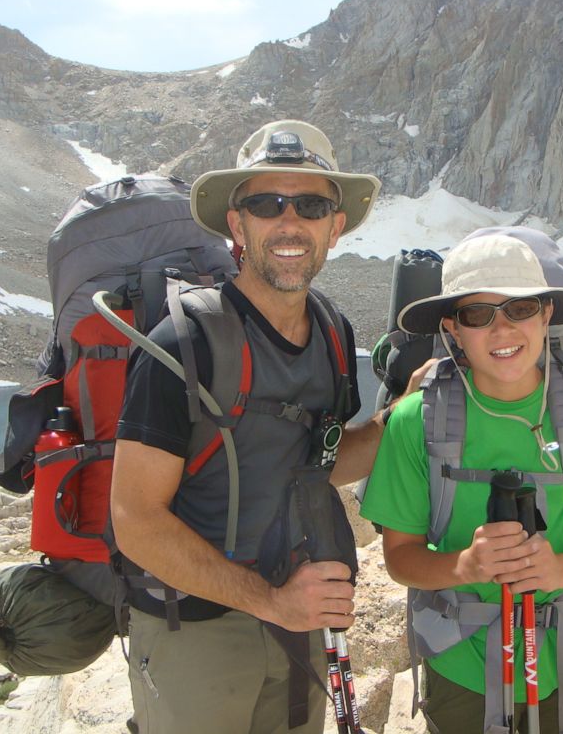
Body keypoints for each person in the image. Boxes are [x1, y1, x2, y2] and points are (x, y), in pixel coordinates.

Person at [110, 119, 404, 734]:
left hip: (296, 618)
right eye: (267, 203)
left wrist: (403, 417)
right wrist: (270, 601)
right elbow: (135, 520)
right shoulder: (184, 342)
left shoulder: (332, 330)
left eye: (312, 204)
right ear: (237, 225)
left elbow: (320, 461)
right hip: (194, 626)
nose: (289, 222)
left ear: (336, 225)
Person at [359, 232, 563, 734]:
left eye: (520, 310)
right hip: (461, 662)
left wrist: (558, 570)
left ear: (545, 315)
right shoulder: (416, 421)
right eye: (478, 315)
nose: (502, 331)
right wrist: (466, 565)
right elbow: (401, 558)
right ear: (452, 328)